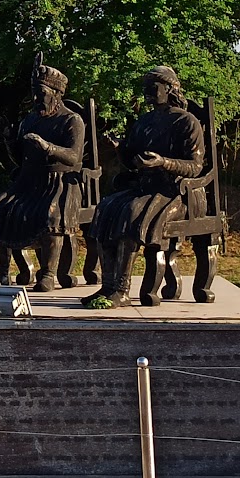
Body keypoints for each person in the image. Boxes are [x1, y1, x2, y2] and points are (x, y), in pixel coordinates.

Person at [85, 67, 205, 308]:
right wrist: (120, 148)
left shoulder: (187, 122)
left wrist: (164, 162)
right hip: (144, 187)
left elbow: (195, 166)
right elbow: (133, 161)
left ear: (169, 89)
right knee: (104, 210)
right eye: (146, 88)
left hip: (175, 192)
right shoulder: (144, 121)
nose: (147, 92)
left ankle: (122, 289)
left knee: (131, 214)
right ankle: (107, 286)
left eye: (153, 87)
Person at [0, 61, 86, 293]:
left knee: (49, 213)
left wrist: (47, 147)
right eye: (35, 94)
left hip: (59, 183)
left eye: (42, 94)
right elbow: (20, 159)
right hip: (29, 182)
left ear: (57, 94)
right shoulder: (30, 120)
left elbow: (74, 156)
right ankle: (3, 273)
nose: (37, 99)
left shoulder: (72, 121)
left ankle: (48, 274)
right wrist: (9, 139)